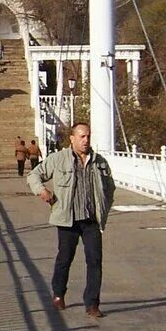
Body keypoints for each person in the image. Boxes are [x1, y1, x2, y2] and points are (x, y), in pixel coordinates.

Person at [26, 122, 115, 318]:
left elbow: (110, 188)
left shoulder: (99, 162)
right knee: (65, 258)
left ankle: (92, 303)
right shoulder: (58, 159)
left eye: (88, 136)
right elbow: (33, 175)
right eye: (82, 137)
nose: (86, 140)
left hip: (91, 220)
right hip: (68, 219)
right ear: (72, 139)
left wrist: (103, 209)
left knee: (95, 260)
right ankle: (58, 294)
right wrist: (42, 190)